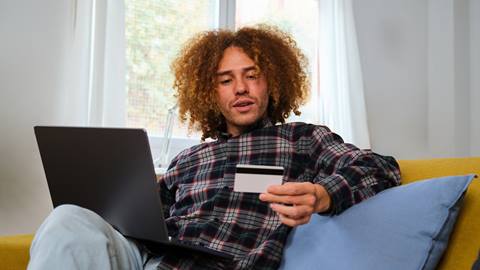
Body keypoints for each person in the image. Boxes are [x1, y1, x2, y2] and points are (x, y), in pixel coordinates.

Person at [28, 25, 401, 270]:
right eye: (226, 80)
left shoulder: (301, 138)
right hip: (149, 257)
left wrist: (324, 194)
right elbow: (142, 223)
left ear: (273, 83)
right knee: (68, 218)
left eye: (251, 76)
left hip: (218, 263)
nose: (240, 88)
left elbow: (381, 167)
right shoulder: (189, 159)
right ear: (210, 93)